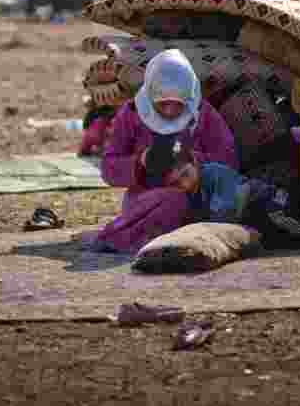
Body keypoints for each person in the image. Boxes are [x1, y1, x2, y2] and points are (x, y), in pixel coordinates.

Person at [90, 49, 239, 253]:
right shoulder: (131, 114)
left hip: (198, 199)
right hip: (148, 202)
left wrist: (193, 162)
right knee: (173, 201)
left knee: (205, 188)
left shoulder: (203, 114)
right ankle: (128, 237)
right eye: (163, 104)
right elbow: (108, 169)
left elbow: (229, 158)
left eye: (176, 105)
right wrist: (141, 161)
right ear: (151, 96)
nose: (169, 111)